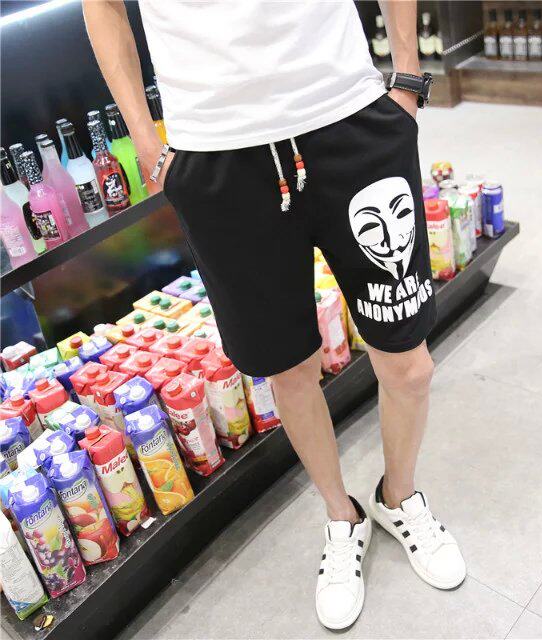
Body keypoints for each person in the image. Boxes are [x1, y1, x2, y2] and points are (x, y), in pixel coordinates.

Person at [83, 0, 466, 629]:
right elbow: (101, 7)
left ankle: (398, 497)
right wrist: (144, 137)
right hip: (218, 155)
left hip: (348, 115)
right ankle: (341, 517)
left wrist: (405, 73)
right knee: (288, 369)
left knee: (409, 364)